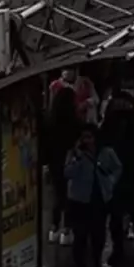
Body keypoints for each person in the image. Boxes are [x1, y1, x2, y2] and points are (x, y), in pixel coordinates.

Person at [64, 123, 122, 267]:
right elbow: (67, 173)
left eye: (90, 137)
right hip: (79, 200)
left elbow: (117, 168)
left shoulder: (106, 152)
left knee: (98, 233)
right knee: (80, 235)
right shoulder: (75, 155)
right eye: (84, 137)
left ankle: (96, 262)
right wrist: (77, 157)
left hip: (99, 199)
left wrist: (110, 182)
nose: (87, 141)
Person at [100, 88, 134, 263]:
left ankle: (118, 250)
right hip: (133, 176)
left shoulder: (108, 128)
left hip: (115, 179)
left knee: (115, 217)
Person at [46, 84, 81, 245]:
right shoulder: (73, 121)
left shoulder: (51, 121)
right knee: (69, 195)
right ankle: (67, 230)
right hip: (69, 160)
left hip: (54, 161)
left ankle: (53, 227)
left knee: (57, 194)